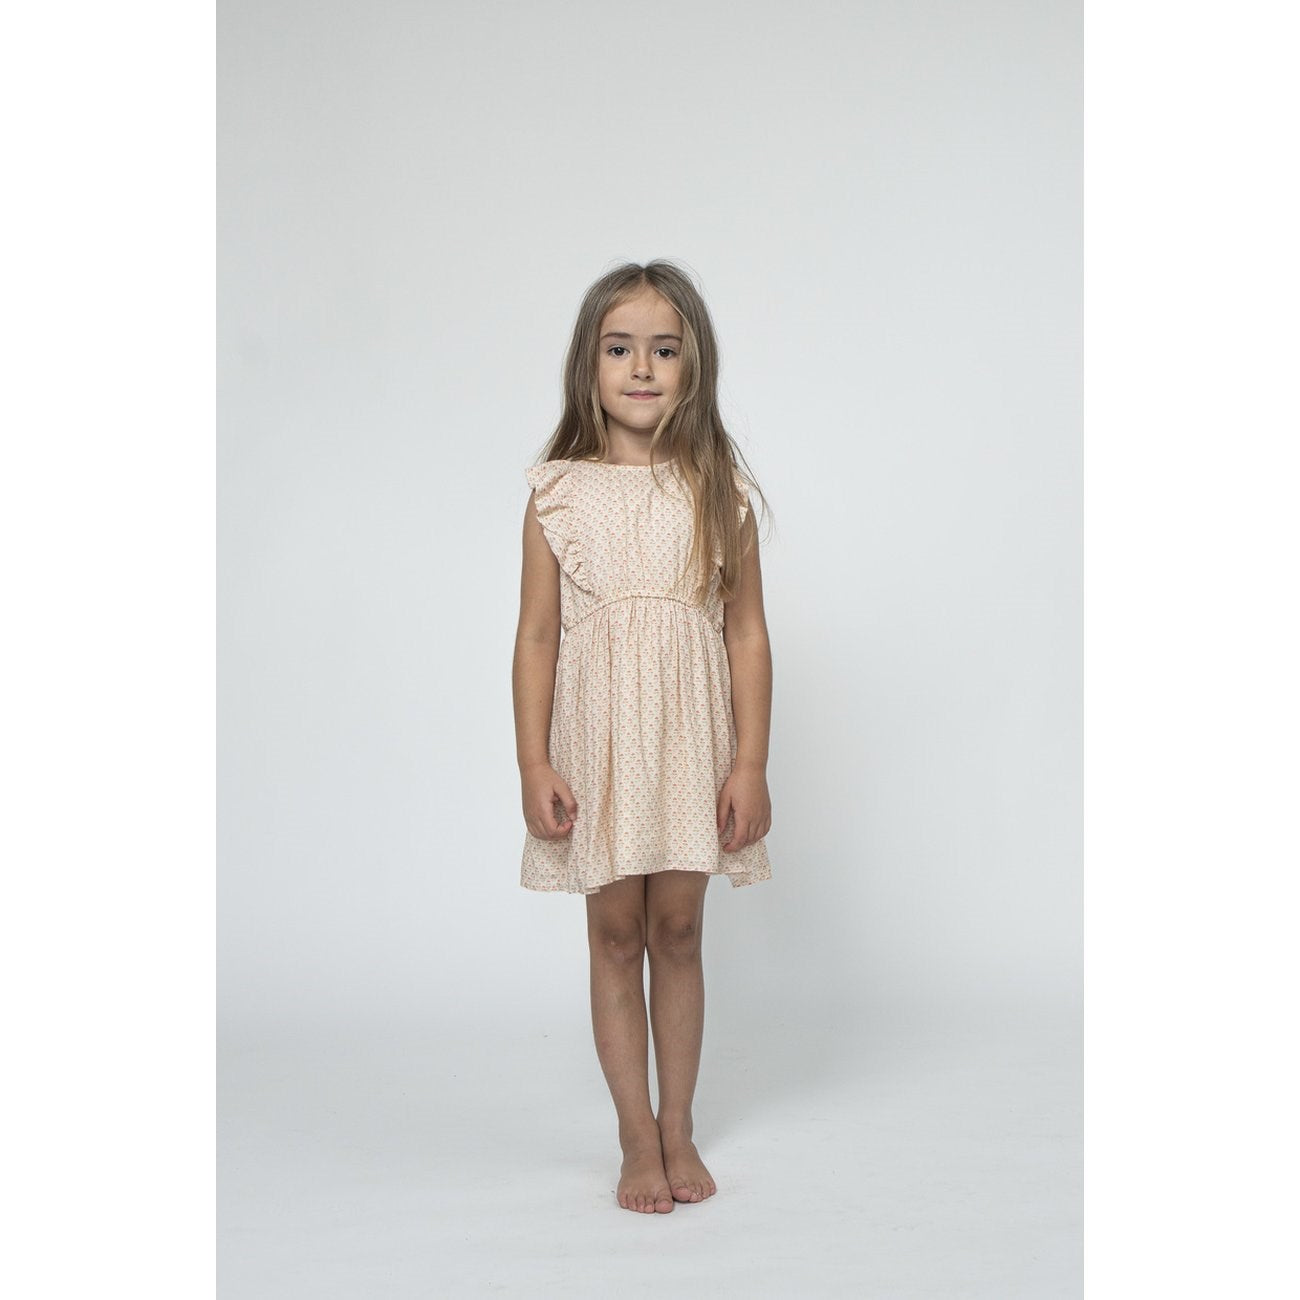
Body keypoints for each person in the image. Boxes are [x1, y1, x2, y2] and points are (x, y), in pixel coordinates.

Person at [512, 259, 774, 1215]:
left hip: (691, 740)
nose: (642, 368)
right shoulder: (558, 493)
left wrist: (750, 762)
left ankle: (679, 1124)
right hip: (601, 745)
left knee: (679, 930)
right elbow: (537, 635)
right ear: (589, 364)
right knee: (616, 932)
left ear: (693, 366)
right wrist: (534, 760)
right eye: (620, 348)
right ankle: (634, 1135)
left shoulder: (719, 492)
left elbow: (746, 633)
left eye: (665, 350)